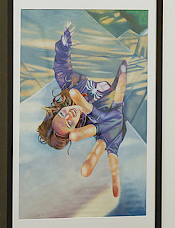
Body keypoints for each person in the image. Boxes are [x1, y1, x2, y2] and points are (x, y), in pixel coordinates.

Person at [37, 23, 127, 197]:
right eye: (69, 123)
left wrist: (64, 44)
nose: (69, 114)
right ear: (74, 128)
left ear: (57, 110)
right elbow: (113, 121)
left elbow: (60, 66)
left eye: (62, 114)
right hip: (119, 71)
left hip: (101, 49)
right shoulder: (95, 121)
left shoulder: (68, 87)